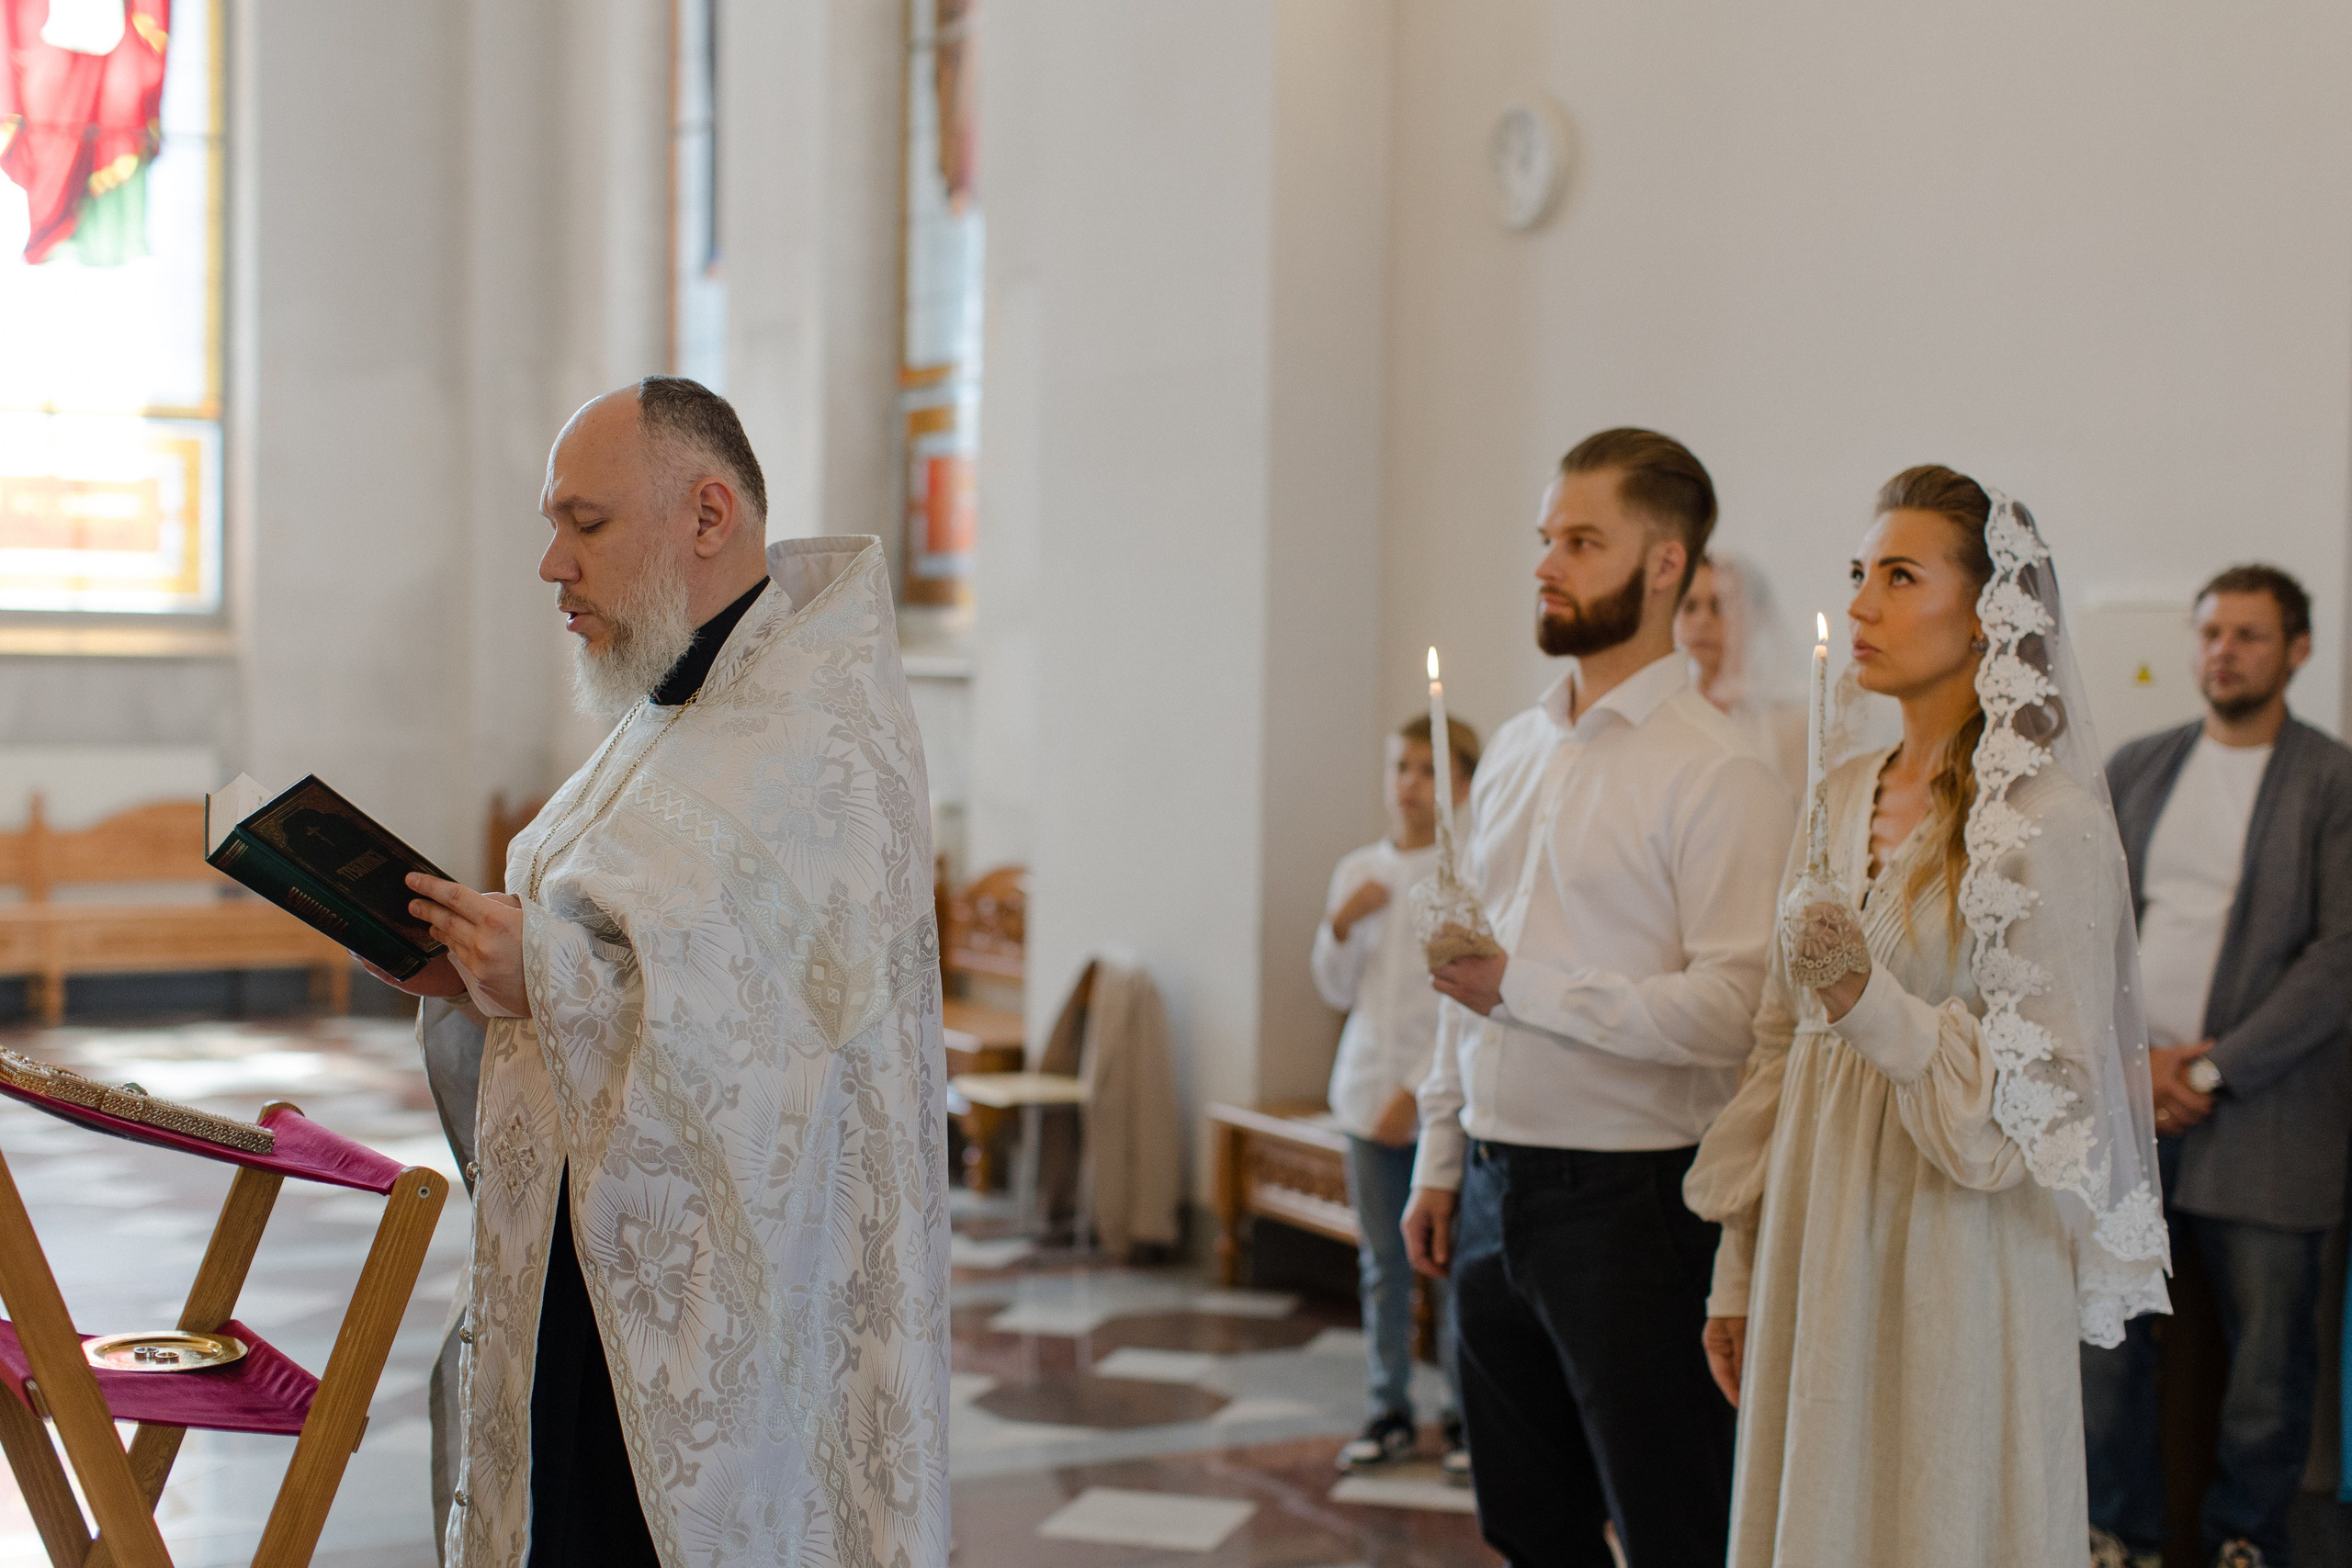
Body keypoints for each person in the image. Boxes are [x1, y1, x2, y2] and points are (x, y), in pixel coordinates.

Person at [372, 377, 950, 1568]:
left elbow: (776, 1011)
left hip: (734, 1309)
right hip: (598, 1273)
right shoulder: (672, 709)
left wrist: (540, 967)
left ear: (706, 513)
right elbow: (604, 926)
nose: (550, 563)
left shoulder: (827, 734)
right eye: (553, 523)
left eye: (585, 524)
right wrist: (474, 969)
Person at [1684, 467, 2169, 1568]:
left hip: (1957, 1254)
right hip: (1820, 1234)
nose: (1860, 604)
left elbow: (2027, 1114)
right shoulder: (1834, 791)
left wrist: (1868, 1001)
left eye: (1900, 576)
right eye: (1859, 574)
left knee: (1934, 1514)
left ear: (1991, 610)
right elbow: (1776, 1050)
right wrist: (1738, 1265)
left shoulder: (2046, 828)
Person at [1399, 428, 1793, 1568]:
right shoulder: (1518, 748)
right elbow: (1455, 968)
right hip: (1489, 1185)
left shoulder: (1716, 772)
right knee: (1528, 1525)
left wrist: (1521, 989)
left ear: (1664, 565)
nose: (1547, 565)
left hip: (1632, 1207)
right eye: (1545, 540)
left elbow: (1734, 1012)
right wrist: (1438, 1154)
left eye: (1582, 541)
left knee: (1674, 1520)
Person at [2085, 565, 2352, 1568]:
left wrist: (2207, 1073)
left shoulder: (2332, 782)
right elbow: (2087, 926)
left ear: (2296, 650)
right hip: (2128, 1104)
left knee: (2266, 1367)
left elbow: (2339, 956)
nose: (2221, 652)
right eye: (2209, 634)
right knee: (2104, 1338)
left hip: (2270, 1112)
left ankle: (2248, 1539)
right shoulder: (2140, 764)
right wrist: (2137, 1062)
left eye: (2247, 635)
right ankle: (2119, 1535)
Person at [1313, 714, 1478, 1481]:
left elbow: (1461, 1000)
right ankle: (1389, 1407)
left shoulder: (1463, 875)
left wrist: (1414, 1092)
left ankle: (1464, 1413)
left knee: (1449, 1263)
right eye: (1401, 767)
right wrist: (1341, 925)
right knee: (1384, 1266)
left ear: (1462, 785)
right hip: (1361, 1093)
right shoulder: (1359, 871)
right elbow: (1334, 989)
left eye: (1427, 769)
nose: (1409, 784)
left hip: (1437, 1102)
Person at [1675, 551, 1808, 796]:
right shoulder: (1669, 709)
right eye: (1689, 607)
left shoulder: (1791, 721)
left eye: (1719, 606)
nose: (1703, 620)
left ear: (1751, 615)